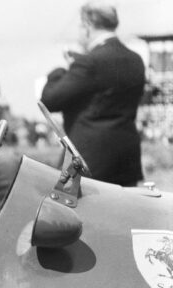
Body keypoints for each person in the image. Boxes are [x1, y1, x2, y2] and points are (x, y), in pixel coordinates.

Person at [40, 1, 145, 187]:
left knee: (69, 213)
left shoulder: (89, 63)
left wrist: (61, 71)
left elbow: (50, 100)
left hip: (90, 160)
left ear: (87, 25)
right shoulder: (136, 60)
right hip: (126, 159)